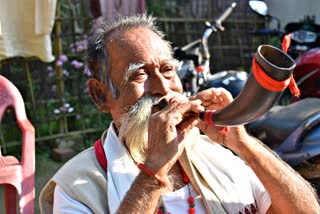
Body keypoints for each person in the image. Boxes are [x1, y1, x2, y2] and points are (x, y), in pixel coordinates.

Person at [39, 14, 319, 214]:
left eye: (168, 70)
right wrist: (153, 169)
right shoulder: (78, 187)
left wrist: (242, 143)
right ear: (100, 95)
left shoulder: (217, 156)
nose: (161, 88)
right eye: (139, 74)